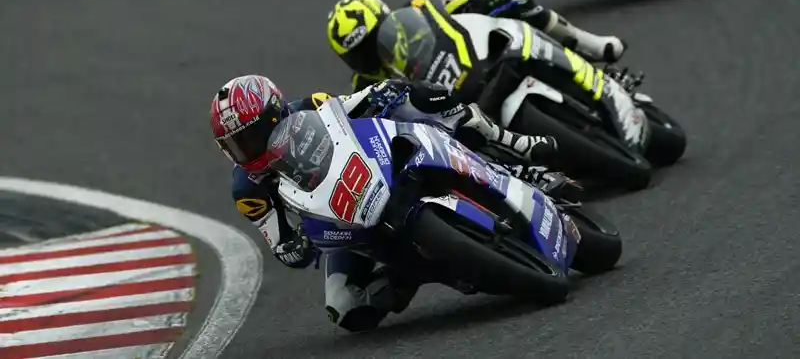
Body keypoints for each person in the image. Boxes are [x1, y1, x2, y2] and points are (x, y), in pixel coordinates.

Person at [210, 74, 561, 332]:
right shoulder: (248, 189)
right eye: (237, 144)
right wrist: (292, 247)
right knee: (345, 308)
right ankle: (415, 272)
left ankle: (515, 152)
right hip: (339, 219)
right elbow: (279, 240)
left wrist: (382, 90)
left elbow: (350, 105)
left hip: (374, 168)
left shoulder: (309, 107)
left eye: (252, 136)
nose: (248, 149)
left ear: (276, 112)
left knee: (421, 102)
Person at [326, 0, 626, 92]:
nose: (372, 53)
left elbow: (453, 2)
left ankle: (590, 47)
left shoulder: (416, 12)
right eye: (359, 53)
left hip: (475, 65)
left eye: (376, 39)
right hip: (457, 119)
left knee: (512, 1)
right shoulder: (364, 87)